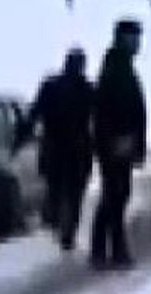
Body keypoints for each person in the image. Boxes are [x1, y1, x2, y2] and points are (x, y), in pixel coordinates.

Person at [19, 47, 95, 251]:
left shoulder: (51, 86)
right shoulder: (87, 89)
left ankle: (55, 219)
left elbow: (34, 113)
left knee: (57, 188)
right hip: (78, 148)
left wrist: (21, 136)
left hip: (54, 147)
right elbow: (98, 120)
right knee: (75, 192)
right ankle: (67, 231)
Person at [91, 19, 147, 268]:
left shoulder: (120, 67)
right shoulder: (116, 69)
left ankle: (105, 249)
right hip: (116, 144)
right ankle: (112, 250)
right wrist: (118, 140)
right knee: (115, 195)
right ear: (122, 38)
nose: (137, 43)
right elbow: (109, 110)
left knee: (116, 195)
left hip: (119, 142)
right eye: (133, 38)